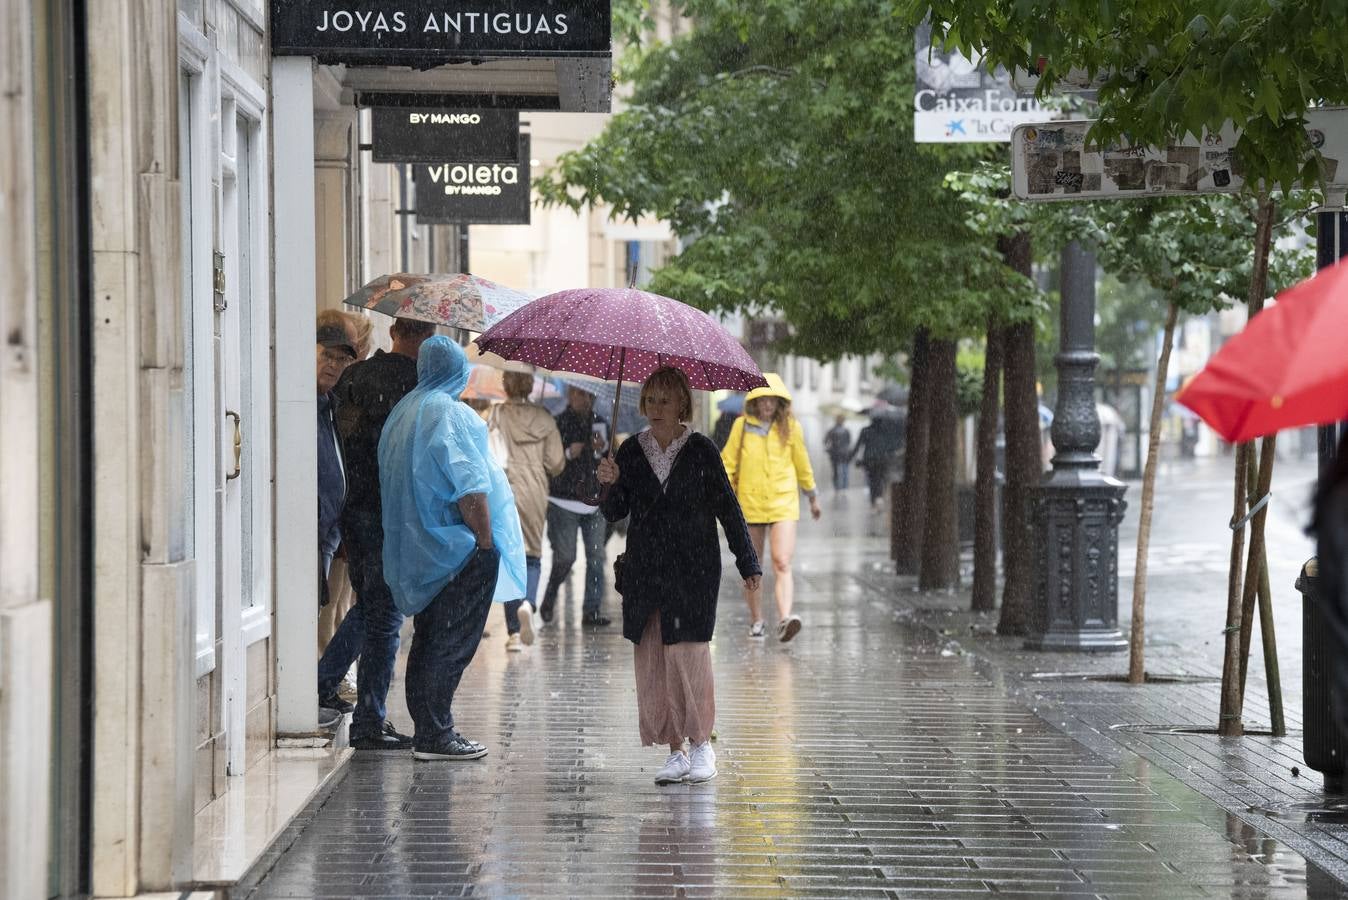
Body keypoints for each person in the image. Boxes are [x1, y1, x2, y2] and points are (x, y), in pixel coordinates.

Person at [596, 367, 761, 784]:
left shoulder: (702, 449)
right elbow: (615, 514)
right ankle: (675, 750)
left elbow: (728, 507)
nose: (656, 408)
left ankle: (702, 743)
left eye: (665, 400)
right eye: (650, 400)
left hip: (693, 569)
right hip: (646, 571)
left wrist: (748, 561)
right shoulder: (631, 450)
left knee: (687, 656)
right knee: (653, 659)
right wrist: (609, 483)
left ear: (682, 404)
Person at [379, 336, 527, 761]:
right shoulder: (449, 414)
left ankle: (429, 728)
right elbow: (471, 487)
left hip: (417, 549)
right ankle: (437, 734)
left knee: (427, 638)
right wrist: (483, 541)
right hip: (455, 548)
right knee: (451, 641)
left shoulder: (403, 412)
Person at [316, 317, 435, 744]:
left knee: (371, 605)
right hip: (391, 511)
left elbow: (342, 438)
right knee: (385, 612)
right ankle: (367, 720)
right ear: (429, 341)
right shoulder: (421, 387)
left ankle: (326, 682)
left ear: (393, 333)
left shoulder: (355, 376)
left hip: (352, 506)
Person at [722, 373, 820, 642]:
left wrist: (812, 497)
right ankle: (757, 621)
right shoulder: (741, 427)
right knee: (752, 568)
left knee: (782, 561)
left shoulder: (791, 428)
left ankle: (785, 618)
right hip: (750, 504)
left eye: (772, 400)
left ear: (780, 403)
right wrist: (717, 498)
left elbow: (802, 464)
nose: (767, 405)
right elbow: (727, 465)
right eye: (762, 399)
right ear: (754, 401)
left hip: (782, 502)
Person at [491, 370, 565, 651]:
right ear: (530, 385)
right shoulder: (545, 419)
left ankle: (512, 632)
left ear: (506, 385)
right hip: (535, 490)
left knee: (510, 557)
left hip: (504, 489)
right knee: (532, 556)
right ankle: (528, 604)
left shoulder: (497, 414)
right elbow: (556, 463)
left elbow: (487, 452)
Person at [539, 385, 612, 627]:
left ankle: (591, 610)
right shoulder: (557, 423)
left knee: (596, 557)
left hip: (594, 500)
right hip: (563, 499)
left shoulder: (600, 422)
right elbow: (550, 460)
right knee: (565, 557)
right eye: (577, 393)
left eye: (587, 394)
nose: (582, 398)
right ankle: (550, 594)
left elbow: (609, 460)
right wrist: (570, 452)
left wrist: (603, 449)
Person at [314, 320, 357, 673]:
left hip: (329, 529)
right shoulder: (303, 402)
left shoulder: (329, 403)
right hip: (312, 528)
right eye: (327, 355)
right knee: (314, 609)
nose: (333, 365)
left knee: (323, 604)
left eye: (341, 361)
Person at [850, 413, 897, 510]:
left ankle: (873, 502)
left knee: (872, 480)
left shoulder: (865, 431)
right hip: (883, 459)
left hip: (869, 460)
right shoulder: (886, 431)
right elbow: (891, 446)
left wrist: (850, 457)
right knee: (881, 478)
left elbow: (858, 446)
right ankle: (879, 497)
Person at [824, 414, 853, 491]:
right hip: (843, 454)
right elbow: (849, 442)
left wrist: (829, 449)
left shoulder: (831, 430)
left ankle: (838, 487)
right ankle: (844, 487)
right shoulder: (846, 431)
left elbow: (825, 441)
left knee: (837, 471)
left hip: (835, 454)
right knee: (844, 471)